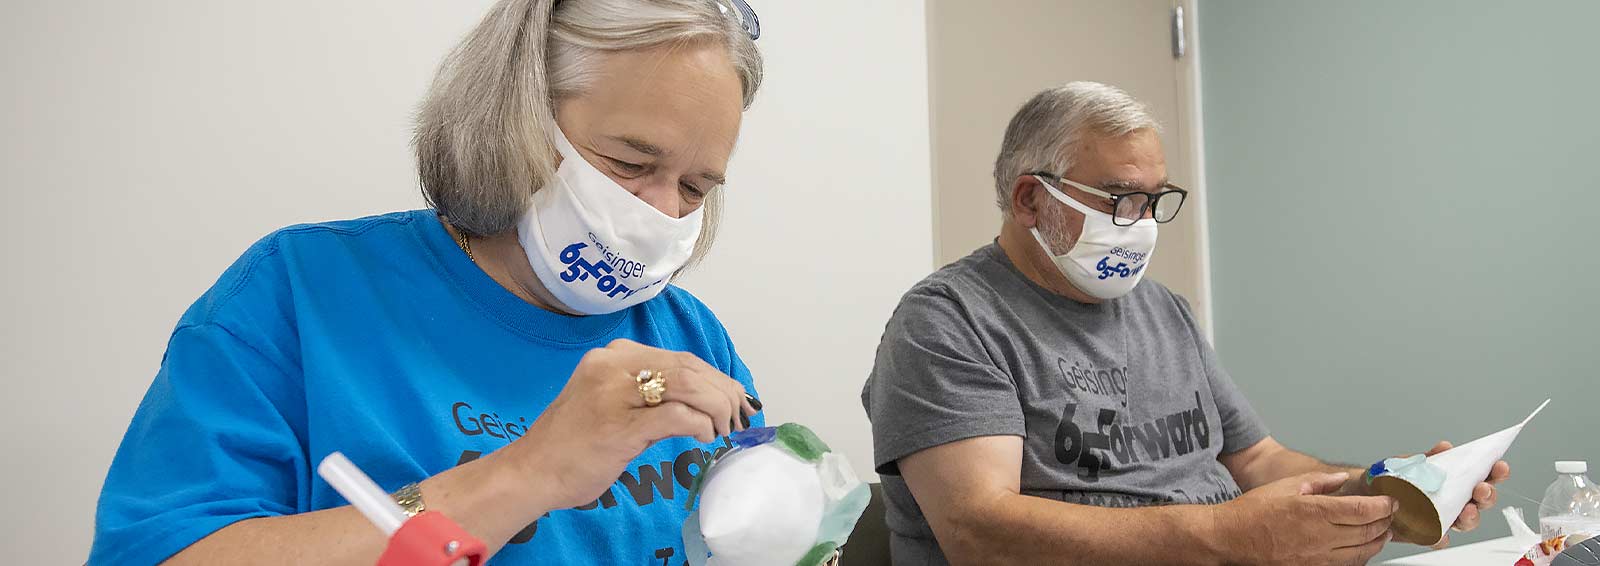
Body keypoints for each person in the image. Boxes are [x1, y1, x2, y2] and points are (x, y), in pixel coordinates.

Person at [89, 1, 770, 563]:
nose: (662, 212)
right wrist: (527, 473)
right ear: (517, 119)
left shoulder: (689, 336)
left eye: (695, 187)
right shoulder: (301, 297)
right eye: (628, 163)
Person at [860, 81, 1510, 565]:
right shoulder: (948, 321)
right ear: (1031, 198)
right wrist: (1229, 535)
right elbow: (979, 532)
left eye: (1155, 201)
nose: (1144, 224)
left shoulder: (1163, 309)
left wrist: (1380, 493)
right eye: (1121, 199)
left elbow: (1257, 460)